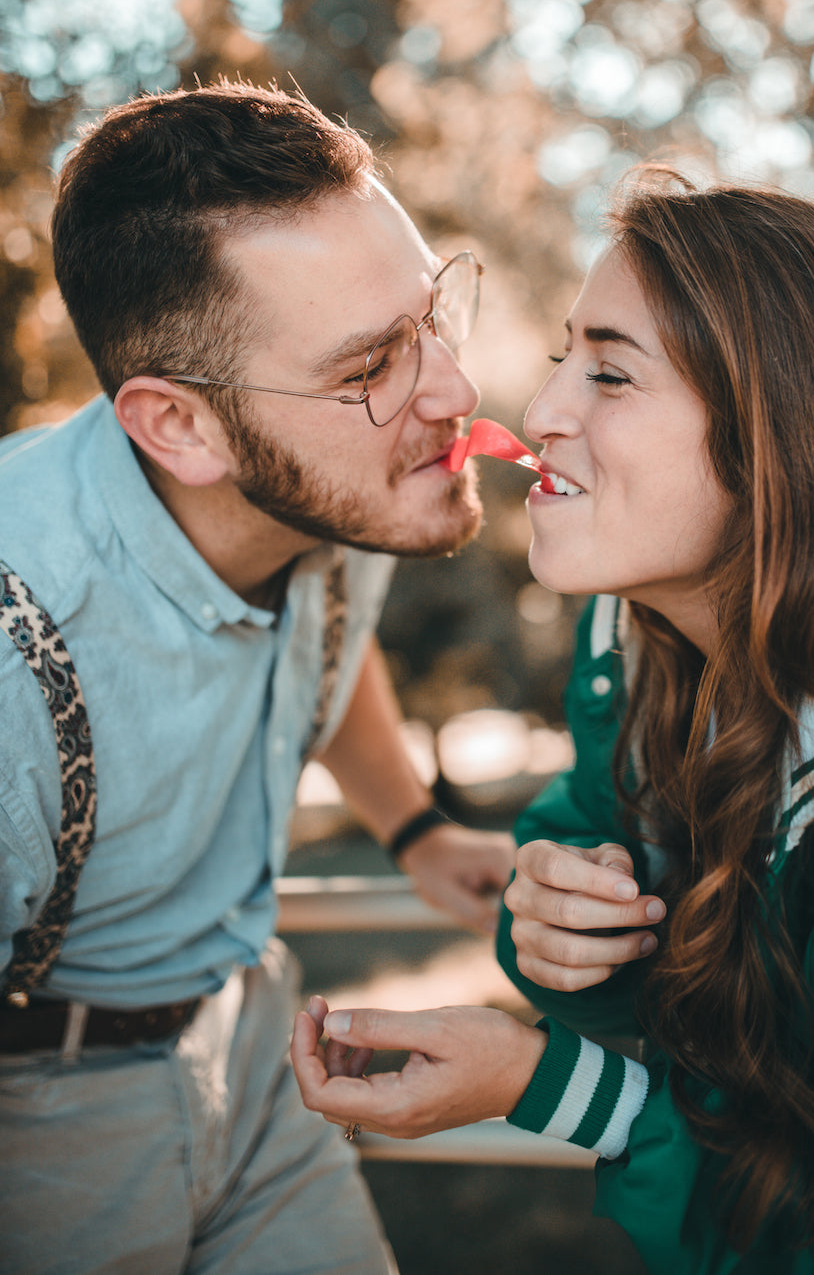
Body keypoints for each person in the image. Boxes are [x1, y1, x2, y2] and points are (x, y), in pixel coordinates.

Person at [292, 172, 814, 1273]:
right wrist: (559, 925)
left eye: (612, 373)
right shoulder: (634, 640)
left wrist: (556, 1089)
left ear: (788, 434)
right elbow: (576, 834)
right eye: (560, 360)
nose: (539, 415)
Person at [0, 79, 515, 1275]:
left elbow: (325, 651)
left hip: (268, 1059)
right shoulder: (16, 647)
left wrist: (414, 826)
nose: (451, 392)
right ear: (179, 426)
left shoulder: (340, 494)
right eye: (369, 367)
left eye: (432, 312)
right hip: (44, 1125)